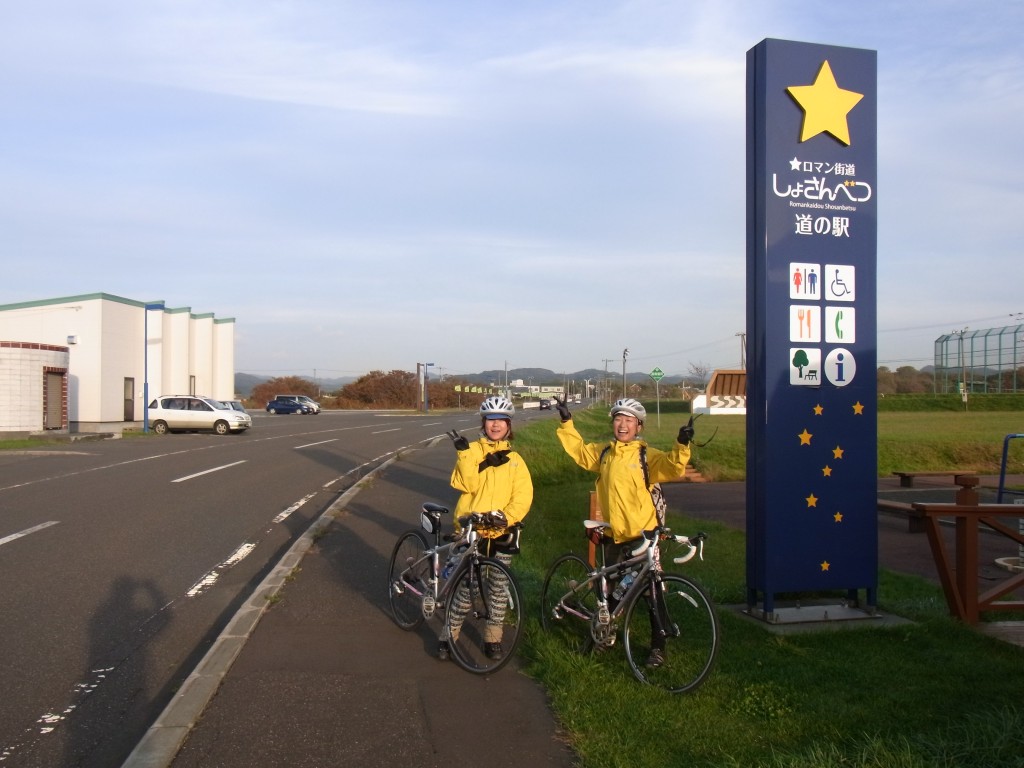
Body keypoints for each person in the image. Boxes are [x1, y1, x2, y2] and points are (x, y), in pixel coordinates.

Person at [552, 395, 694, 667]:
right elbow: (580, 452)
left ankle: (658, 647)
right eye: (618, 418)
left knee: (654, 593)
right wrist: (566, 422)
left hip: (643, 538)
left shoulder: (645, 456)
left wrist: (682, 443)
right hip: (613, 535)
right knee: (609, 592)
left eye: (629, 420)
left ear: (638, 427)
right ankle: (604, 636)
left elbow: (673, 466)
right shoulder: (605, 453)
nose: (622, 425)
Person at [442, 395, 533, 661]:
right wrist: (463, 453)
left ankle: (493, 638)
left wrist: (507, 517)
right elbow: (466, 484)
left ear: (508, 425)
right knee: (465, 588)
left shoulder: (516, 460)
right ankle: (449, 634)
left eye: (500, 421)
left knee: (498, 589)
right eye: (490, 420)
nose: (495, 426)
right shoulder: (470, 451)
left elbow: (523, 495)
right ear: (484, 423)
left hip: (502, 531)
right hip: (471, 529)